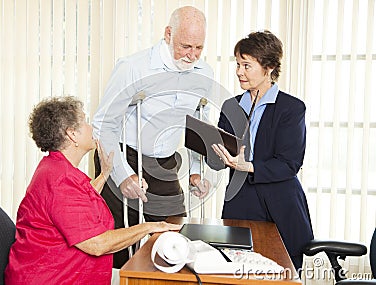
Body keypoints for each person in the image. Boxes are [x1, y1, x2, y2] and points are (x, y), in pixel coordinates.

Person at [4, 96, 181, 285]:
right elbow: (97, 244)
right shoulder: (60, 180)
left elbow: (79, 201)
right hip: (52, 279)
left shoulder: (55, 167)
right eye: (85, 122)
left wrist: (105, 174)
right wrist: (150, 227)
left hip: (62, 273)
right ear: (72, 134)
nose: (91, 127)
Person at [92, 6, 214, 268]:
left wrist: (194, 171)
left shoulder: (203, 73)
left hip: (165, 161)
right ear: (168, 34)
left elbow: (197, 127)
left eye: (199, 48)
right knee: (121, 240)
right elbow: (104, 124)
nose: (192, 55)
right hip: (124, 154)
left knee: (174, 237)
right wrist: (122, 175)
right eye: (185, 46)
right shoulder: (133, 68)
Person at [211, 30, 313, 271]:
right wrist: (209, 150)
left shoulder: (292, 108)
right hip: (240, 202)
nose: (239, 72)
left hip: (280, 205)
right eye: (237, 64)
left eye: (247, 65)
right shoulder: (231, 106)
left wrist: (249, 166)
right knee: (235, 271)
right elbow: (217, 159)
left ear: (268, 68)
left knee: (282, 275)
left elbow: (290, 163)